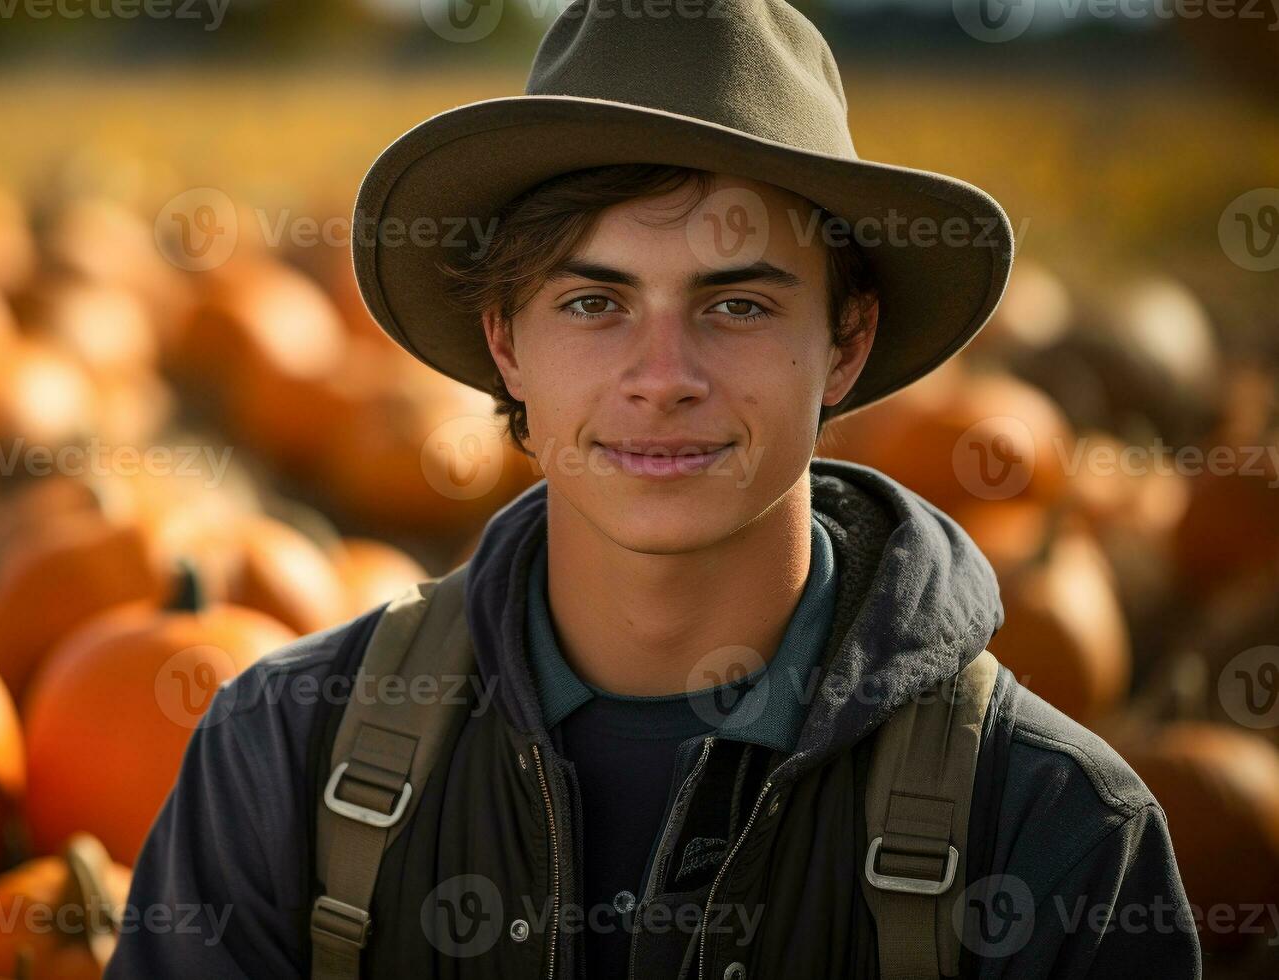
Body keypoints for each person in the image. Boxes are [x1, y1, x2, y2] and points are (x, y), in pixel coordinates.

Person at [108, 1, 1201, 976]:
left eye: (737, 306)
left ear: (847, 342)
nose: (664, 379)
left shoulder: (1055, 830)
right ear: (506, 346)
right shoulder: (283, 756)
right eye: (595, 303)